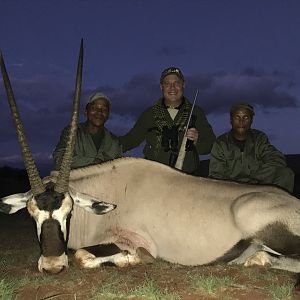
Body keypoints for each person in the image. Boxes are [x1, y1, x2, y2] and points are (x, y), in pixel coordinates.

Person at [119, 67, 216, 174]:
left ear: (183, 85)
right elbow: (130, 140)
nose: (172, 87)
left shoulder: (196, 112)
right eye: (167, 83)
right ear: (161, 87)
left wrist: (197, 140)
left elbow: (211, 145)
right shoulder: (149, 114)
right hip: (155, 176)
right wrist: (107, 146)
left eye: (177, 83)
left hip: (187, 177)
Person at [209, 103, 294, 193]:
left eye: (246, 117)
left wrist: (256, 180)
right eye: (237, 117)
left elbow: (277, 158)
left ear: (251, 121)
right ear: (231, 120)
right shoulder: (221, 143)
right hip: (233, 191)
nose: (241, 121)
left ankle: (277, 205)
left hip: (258, 186)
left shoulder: (259, 138)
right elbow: (216, 175)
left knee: (286, 173)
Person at [53, 92, 122, 170]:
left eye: (104, 109)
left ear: (108, 115)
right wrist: (93, 162)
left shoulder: (114, 142)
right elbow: (59, 159)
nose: (99, 112)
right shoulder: (72, 132)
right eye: (94, 108)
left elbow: (119, 169)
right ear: (86, 112)